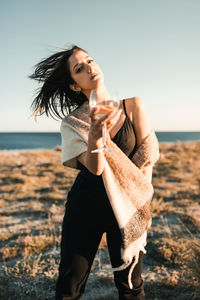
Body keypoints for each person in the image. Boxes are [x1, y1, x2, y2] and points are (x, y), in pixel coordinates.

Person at [30, 45, 159, 300]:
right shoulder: (73, 123)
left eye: (89, 60)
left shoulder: (133, 106)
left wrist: (144, 210)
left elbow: (147, 162)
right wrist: (94, 136)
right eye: (79, 68)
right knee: (70, 286)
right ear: (74, 85)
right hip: (85, 207)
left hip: (127, 208)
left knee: (132, 286)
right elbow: (95, 168)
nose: (89, 67)